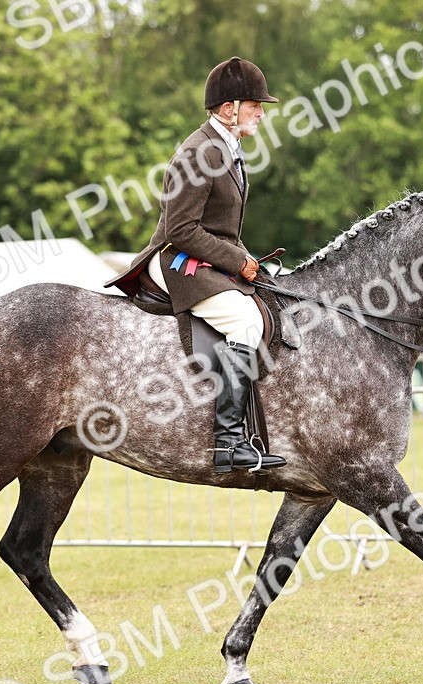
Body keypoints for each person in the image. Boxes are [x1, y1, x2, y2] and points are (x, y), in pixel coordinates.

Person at [105, 56, 285, 474]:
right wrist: (237, 261)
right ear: (229, 109)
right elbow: (182, 230)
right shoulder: (198, 152)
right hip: (174, 259)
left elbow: (219, 227)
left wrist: (248, 260)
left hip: (201, 255)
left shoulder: (226, 148)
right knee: (245, 322)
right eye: (255, 104)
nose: (261, 112)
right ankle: (228, 443)